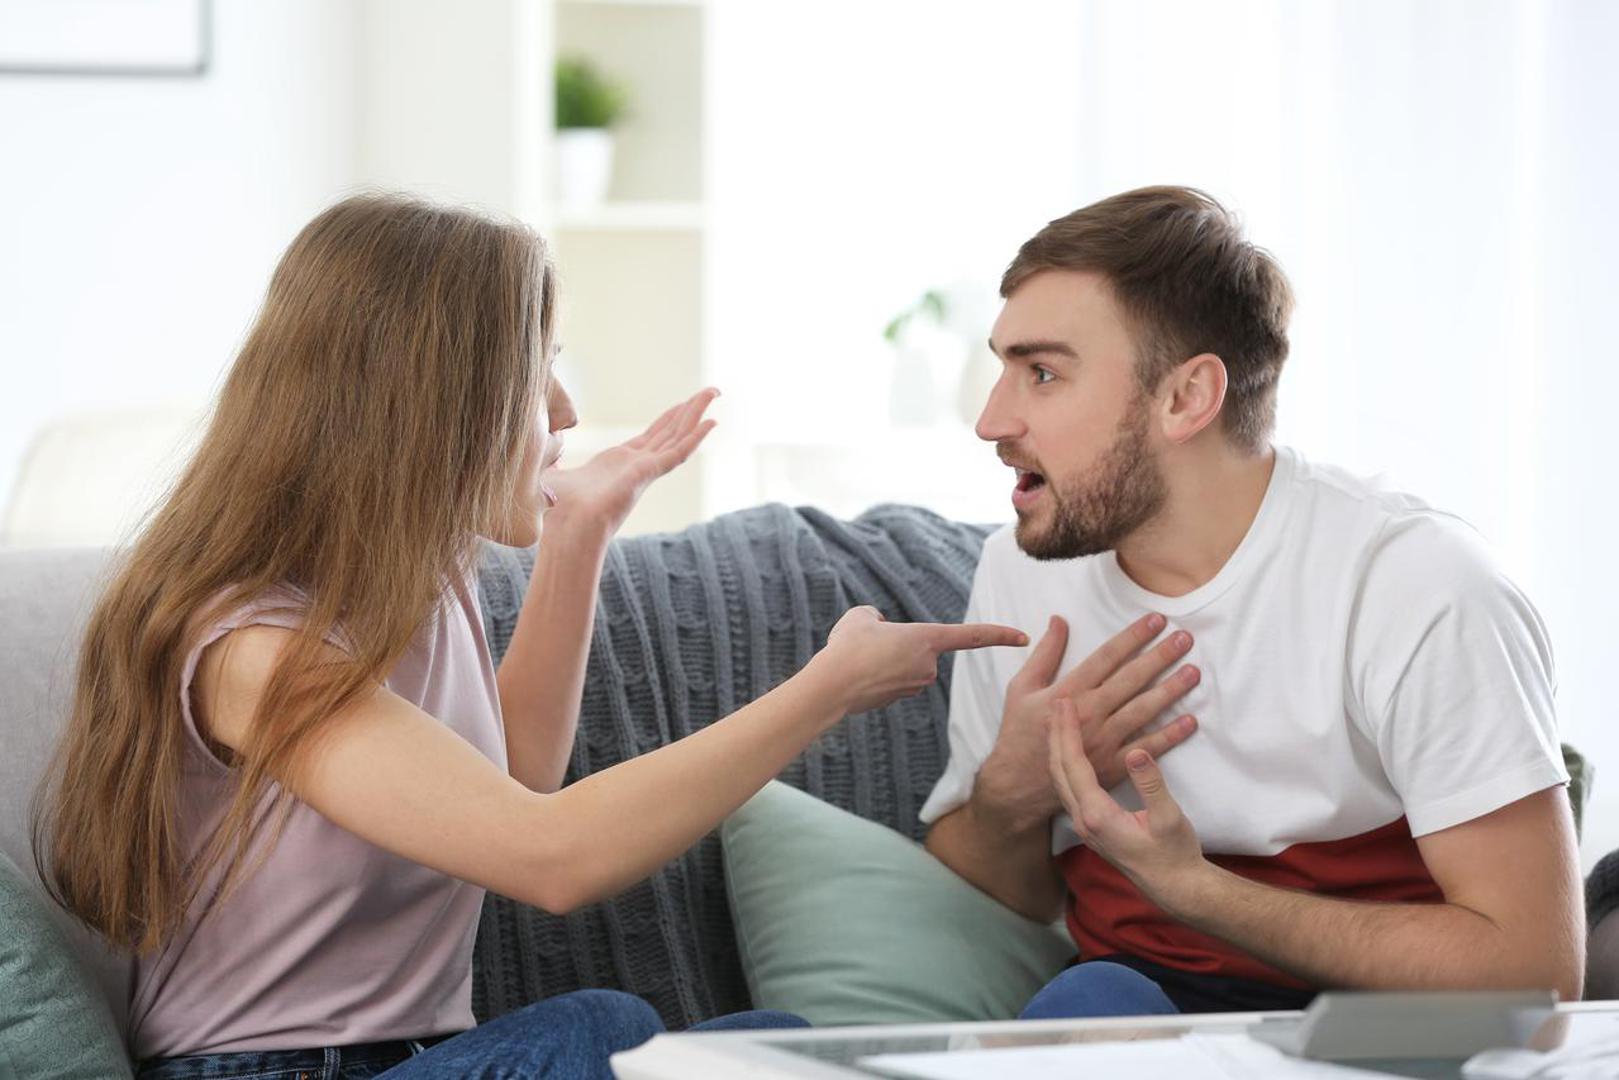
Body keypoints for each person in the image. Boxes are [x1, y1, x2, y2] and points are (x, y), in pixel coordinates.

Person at [33, 193, 1032, 1080]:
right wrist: (822, 691)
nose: (562, 409)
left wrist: (578, 535)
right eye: (536, 367)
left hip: (437, 1057)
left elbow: (512, 778)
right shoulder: (255, 650)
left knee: (772, 1043)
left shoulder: (425, 578)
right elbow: (547, 857)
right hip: (278, 1071)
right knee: (602, 1026)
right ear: (431, 404)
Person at [922, 186, 1585, 1018]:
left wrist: (1196, 891)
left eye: (1042, 373)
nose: (991, 419)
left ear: (1185, 398)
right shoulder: (1022, 570)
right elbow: (997, 893)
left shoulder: (1415, 585)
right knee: (1085, 1004)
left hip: (1371, 1036)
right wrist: (1015, 789)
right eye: (1002, 367)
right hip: (1122, 1019)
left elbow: (1534, 972)